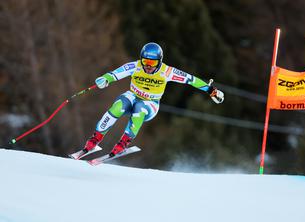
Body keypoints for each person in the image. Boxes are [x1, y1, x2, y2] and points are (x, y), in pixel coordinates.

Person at [83, 42, 224, 157]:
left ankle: (123, 143)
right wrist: (104, 79)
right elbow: (115, 74)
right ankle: (95, 138)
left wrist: (211, 90)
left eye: (152, 62)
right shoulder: (136, 66)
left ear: (159, 61)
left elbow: (191, 80)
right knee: (118, 106)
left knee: (139, 110)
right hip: (133, 96)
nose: (148, 66)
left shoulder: (167, 72)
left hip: (150, 104)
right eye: (145, 61)